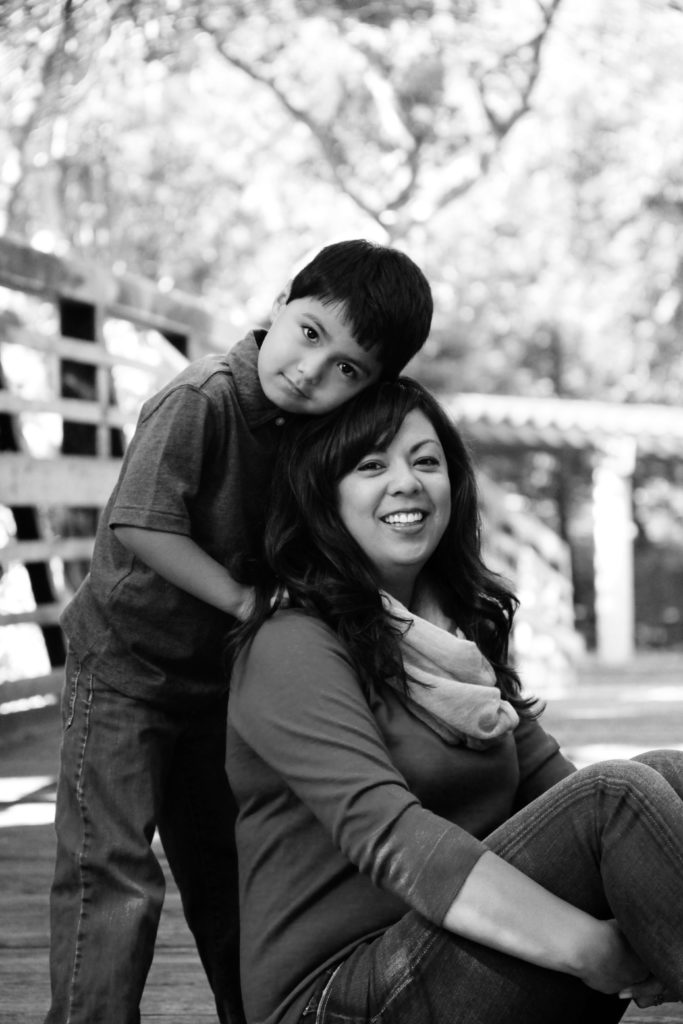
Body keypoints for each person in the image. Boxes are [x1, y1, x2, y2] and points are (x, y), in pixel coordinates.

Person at [45, 240, 434, 1024]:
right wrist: (243, 601)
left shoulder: (313, 431)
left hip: (219, 680)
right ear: (282, 303)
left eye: (348, 370)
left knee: (228, 867)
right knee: (112, 868)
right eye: (312, 333)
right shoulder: (203, 399)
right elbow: (141, 525)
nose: (311, 371)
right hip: (124, 665)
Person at [225, 377, 683, 1024]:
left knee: (664, 775)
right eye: (370, 465)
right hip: (337, 999)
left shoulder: (452, 643)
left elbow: (555, 790)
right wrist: (589, 947)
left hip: (446, 958)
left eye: (426, 461)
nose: (406, 481)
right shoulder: (290, 645)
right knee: (619, 796)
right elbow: (391, 836)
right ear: (322, 498)